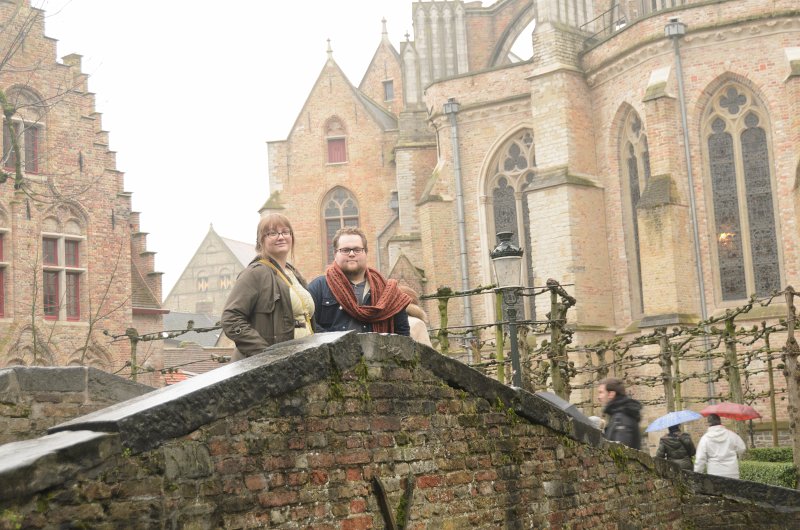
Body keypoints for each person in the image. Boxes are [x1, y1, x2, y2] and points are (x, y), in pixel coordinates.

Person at [221, 214, 315, 360]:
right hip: (269, 366)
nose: (281, 237)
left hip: (300, 360)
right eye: (272, 233)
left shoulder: (294, 274)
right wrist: (265, 354)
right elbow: (231, 319)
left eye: (285, 232)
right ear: (261, 240)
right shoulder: (255, 273)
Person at [308, 227, 410, 335]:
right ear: (335, 254)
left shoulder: (388, 292)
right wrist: (338, 346)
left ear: (365, 253)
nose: (351, 254)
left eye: (357, 250)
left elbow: (403, 334)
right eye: (345, 250)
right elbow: (309, 325)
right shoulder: (318, 287)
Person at [694, 413, 746, 479]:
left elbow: (700, 459)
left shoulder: (705, 438)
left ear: (709, 423)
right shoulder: (731, 435)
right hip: (732, 471)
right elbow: (742, 448)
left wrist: (697, 474)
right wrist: (735, 455)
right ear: (720, 421)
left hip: (714, 472)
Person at [597, 377, 642, 449]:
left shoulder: (621, 418)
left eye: (601, 392)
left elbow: (621, 452)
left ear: (611, 394)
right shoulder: (618, 415)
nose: (598, 397)